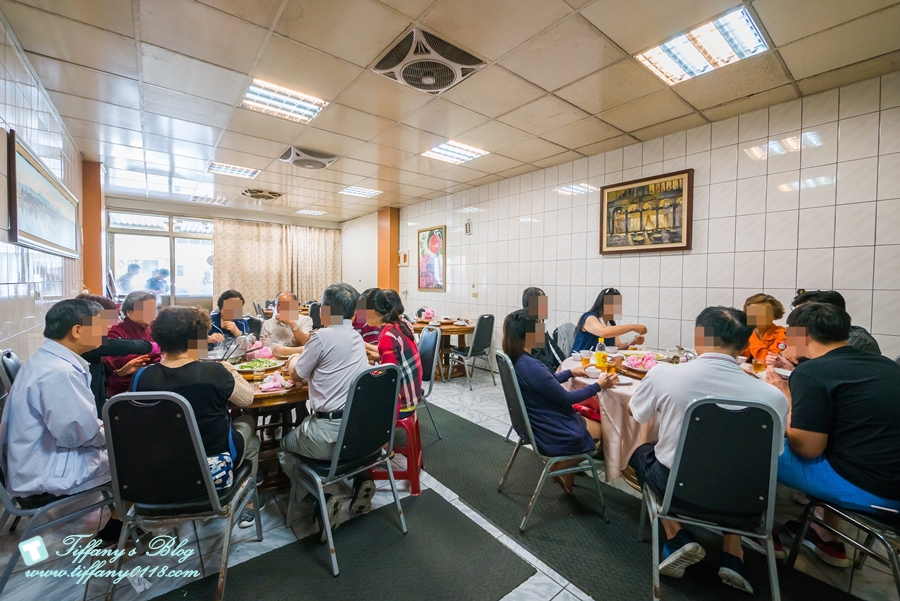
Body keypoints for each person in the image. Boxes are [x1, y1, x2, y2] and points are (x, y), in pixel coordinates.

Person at [628, 306, 789, 594]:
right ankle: (733, 553)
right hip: (747, 501)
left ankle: (676, 536)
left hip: (679, 491)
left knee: (640, 453)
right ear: (745, 343)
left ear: (699, 335)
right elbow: (773, 457)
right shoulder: (773, 396)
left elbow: (636, 413)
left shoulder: (665, 374)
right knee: (734, 464)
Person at [764, 302, 900, 568]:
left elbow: (807, 448)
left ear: (801, 335)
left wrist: (787, 393)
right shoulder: (885, 364)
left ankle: (757, 530)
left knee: (756, 443)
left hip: (872, 490)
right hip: (889, 479)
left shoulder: (812, 372)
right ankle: (824, 534)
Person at [0, 299, 122, 540]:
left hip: (37, 459)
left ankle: (121, 521)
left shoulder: (46, 360)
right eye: (100, 325)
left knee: (129, 446)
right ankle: (120, 528)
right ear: (77, 331)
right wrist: (116, 433)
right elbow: (79, 435)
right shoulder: (59, 373)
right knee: (140, 459)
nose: (107, 329)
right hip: (45, 472)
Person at [134, 306, 262, 528]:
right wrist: (229, 369)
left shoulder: (141, 376)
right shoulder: (213, 372)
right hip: (212, 469)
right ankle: (247, 502)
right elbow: (247, 399)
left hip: (161, 469)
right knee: (249, 425)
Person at [280, 283, 371, 537]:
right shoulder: (357, 337)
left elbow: (298, 375)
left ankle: (319, 499)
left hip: (328, 436)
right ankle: (360, 477)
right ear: (353, 313)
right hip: (360, 434)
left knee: (285, 447)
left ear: (326, 309)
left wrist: (292, 360)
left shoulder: (321, 337)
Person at [504, 309, 616, 494]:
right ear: (529, 335)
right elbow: (566, 398)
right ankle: (561, 466)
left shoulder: (518, 360)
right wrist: (599, 385)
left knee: (588, 415)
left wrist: (570, 372)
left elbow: (544, 383)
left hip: (532, 423)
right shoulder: (532, 366)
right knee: (608, 431)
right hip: (550, 427)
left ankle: (567, 475)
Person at [75, 294, 156, 413]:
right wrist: (156, 347)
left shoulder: (149, 329)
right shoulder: (101, 340)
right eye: (104, 320)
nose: (110, 325)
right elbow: (122, 350)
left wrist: (120, 373)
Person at [103, 290, 160, 398]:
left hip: (150, 383)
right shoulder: (114, 331)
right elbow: (121, 362)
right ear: (129, 312)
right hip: (123, 389)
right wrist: (157, 351)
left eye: (154, 309)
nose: (152, 313)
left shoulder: (153, 329)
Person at [791, 289, 881, 354]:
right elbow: (792, 355)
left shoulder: (858, 340)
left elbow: (828, 368)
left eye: (802, 315)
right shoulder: (809, 333)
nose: (796, 320)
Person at [572, 288, 647, 352]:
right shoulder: (590, 318)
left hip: (599, 362)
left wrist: (631, 342)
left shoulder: (611, 323)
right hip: (580, 361)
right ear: (602, 304)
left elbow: (617, 346)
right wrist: (632, 327)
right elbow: (604, 332)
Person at [521, 287, 566, 371]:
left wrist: (565, 365)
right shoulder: (532, 327)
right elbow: (538, 358)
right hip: (543, 375)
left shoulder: (537, 324)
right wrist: (557, 373)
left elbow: (554, 349)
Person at [740, 293, 787, 363]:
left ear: (774, 315)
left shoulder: (783, 334)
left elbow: (768, 362)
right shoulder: (742, 331)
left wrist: (751, 336)